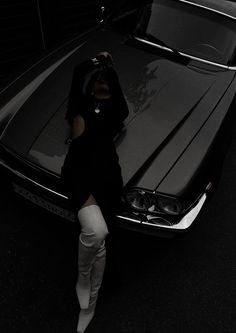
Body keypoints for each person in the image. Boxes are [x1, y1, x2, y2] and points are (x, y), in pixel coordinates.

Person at [61, 51, 129, 333]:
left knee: (102, 242)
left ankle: (90, 304)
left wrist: (110, 71)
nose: (101, 84)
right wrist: (98, 61)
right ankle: (83, 276)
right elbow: (78, 73)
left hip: (108, 177)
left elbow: (122, 104)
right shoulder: (78, 107)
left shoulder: (114, 113)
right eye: (97, 81)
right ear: (90, 87)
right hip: (79, 174)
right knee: (96, 232)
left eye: (106, 82)